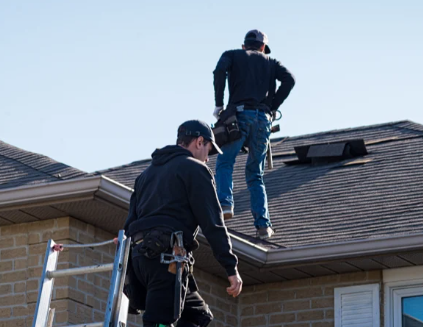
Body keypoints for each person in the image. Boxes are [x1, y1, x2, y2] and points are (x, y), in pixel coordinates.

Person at [124, 120, 243, 327]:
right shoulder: (195, 169)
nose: (208, 158)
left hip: (140, 260)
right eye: (208, 150)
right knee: (158, 322)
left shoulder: (145, 175)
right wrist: (231, 268)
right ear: (199, 142)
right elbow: (213, 224)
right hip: (165, 259)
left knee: (196, 316)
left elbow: (129, 224)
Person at [213, 29, 296, 239]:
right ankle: (263, 226)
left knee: (225, 162)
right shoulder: (271, 62)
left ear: (244, 46)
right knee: (255, 174)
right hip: (263, 121)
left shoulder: (232, 55)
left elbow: (219, 71)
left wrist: (219, 104)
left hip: (239, 117)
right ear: (262, 47)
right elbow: (290, 80)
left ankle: (225, 204)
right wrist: (272, 105)